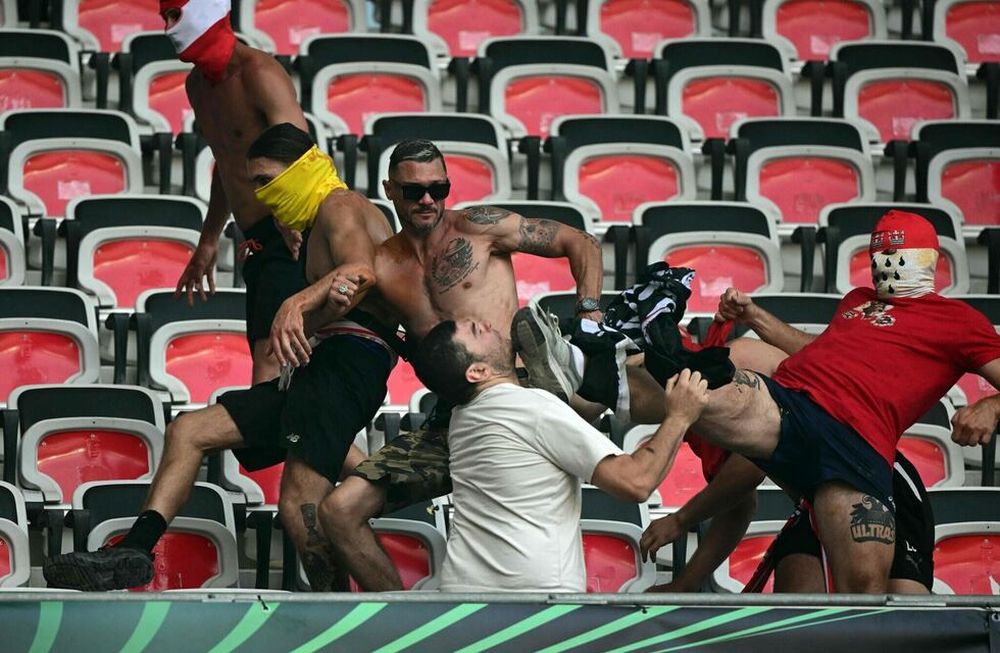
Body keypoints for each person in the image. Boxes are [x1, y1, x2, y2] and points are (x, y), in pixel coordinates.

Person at [522, 209, 1000, 592]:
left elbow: (740, 492)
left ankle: (629, 358)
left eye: (900, 258)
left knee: (863, 603)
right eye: (881, 257)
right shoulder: (857, 300)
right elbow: (820, 352)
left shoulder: (959, 321)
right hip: (796, 405)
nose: (887, 269)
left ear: (931, 261)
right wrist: (755, 313)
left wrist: (990, 405)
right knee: (707, 384)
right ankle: (593, 369)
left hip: (857, 445)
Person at [43, 124, 395, 591]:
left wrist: (294, 304)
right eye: (256, 184)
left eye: (269, 180)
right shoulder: (312, 227)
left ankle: (373, 611)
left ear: (303, 168)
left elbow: (361, 272)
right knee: (189, 431)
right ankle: (135, 548)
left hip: (349, 364)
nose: (263, 195)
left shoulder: (341, 205)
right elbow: (345, 294)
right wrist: (305, 322)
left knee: (301, 508)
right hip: (323, 366)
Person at [302, 139, 605, 591]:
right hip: (454, 418)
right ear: (390, 190)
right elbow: (330, 323)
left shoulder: (481, 227)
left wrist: (590, 317)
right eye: (412, 191)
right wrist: (311, 300)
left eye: (438, 188)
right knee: (339, 511)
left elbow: (579, 242)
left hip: (519, 398)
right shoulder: (381, 266)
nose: (427, 199)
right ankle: (405, 628)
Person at [410, 317, 709, 592]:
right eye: (477, 331)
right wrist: (679, 416)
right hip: (535, 601)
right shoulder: (529, 407)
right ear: (478, 372)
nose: (487, 324)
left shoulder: (463, 418)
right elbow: (636, 481)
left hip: (463, 595)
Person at [639, 342, 934, 595]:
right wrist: (687, 583)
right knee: (798, 608)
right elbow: (739, 506)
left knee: (892, 621)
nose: (629, 410)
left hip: (877, 480)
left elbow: (749, 470)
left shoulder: (730, 371)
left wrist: (680, 520)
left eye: (631, 395)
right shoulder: (693, 415)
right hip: (816, 494)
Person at [161, 0, 311, 384]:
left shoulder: (259, 72)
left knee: (269, 361)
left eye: (175, 15)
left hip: (291, 232)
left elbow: (299, 149)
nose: (168, 28)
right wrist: (209, 240)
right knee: (267, 359)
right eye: (165, 17)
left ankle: (259, 443)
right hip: (259, 239)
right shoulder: (197, 86)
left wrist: (286, 217)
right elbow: (227, 161)